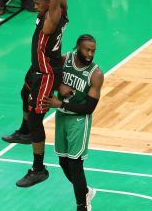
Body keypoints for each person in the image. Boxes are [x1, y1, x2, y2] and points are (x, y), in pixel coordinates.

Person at [3, 0, 81, 188]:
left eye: (39, 4)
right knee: (24, 93)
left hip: (46, 73)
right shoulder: (60, 8)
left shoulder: (52, 17)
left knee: (37, 119)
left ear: (50, 4)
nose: (35, 6)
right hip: (37, 66)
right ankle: (25, 132)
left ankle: (39, 169)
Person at [41, 34, 104, 211]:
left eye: (93, 50)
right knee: (63, 162)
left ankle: (82, 206)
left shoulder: (96, 74)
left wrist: (59, 103)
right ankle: (85, 191)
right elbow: (49, 74)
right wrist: (59, 86)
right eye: (87, 49)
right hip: (61, 115)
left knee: (75, 164)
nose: (91, 54)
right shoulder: (64, 60)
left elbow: (89, 108)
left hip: (79, 120)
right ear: (77, 47)